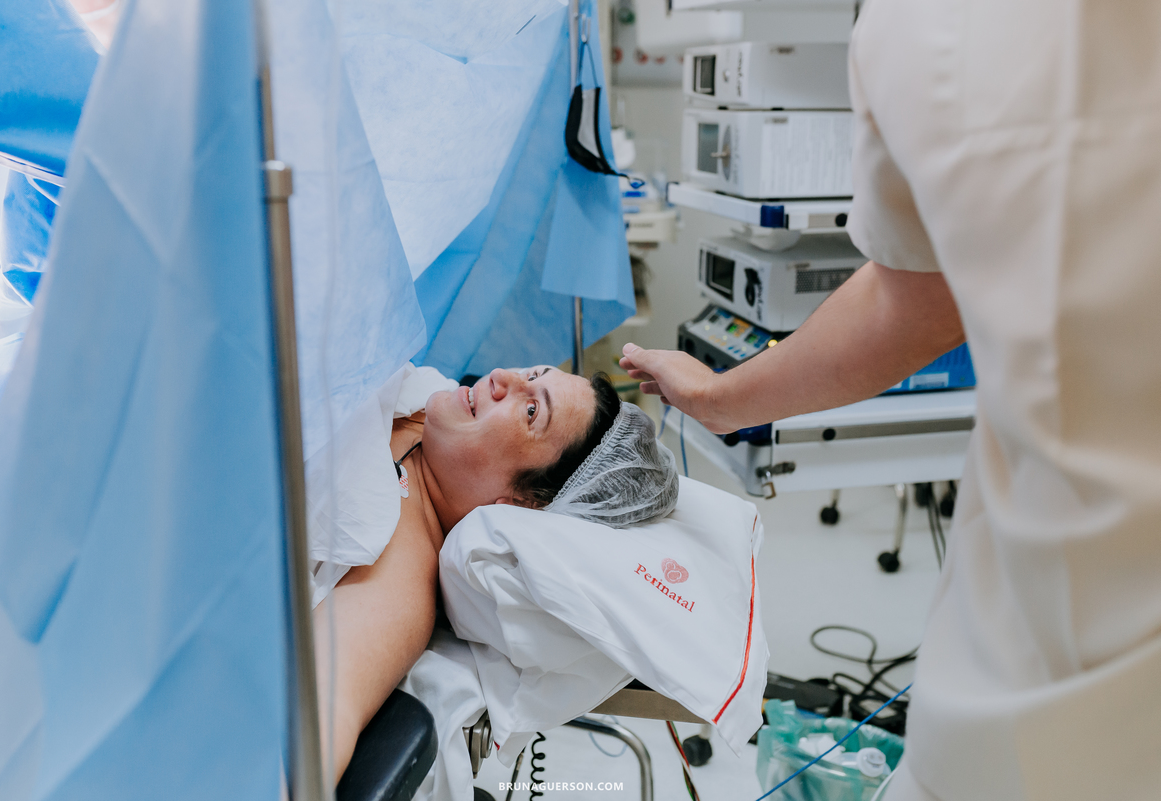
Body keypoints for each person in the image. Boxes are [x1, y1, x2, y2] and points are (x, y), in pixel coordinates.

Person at [620, 1, 1161, 798]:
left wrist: (725, 397)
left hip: (1053, 663)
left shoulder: (931, 32)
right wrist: (722, 397)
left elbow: (910, 303)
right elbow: (914, 300)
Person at [315, 365, 678, 782]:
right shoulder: (426, 401)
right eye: (534, 372)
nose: (503, 376)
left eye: (530, 411)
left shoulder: (397, 577)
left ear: (522, 504)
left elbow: (321, 719)